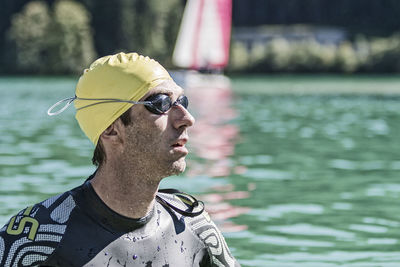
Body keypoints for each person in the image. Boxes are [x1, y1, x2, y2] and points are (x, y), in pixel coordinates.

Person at [0, 52, 240, 266]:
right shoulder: (38, 239)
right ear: (111, 130)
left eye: (182, 101)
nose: (187, 118)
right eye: (161, 104)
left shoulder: (194, 226)